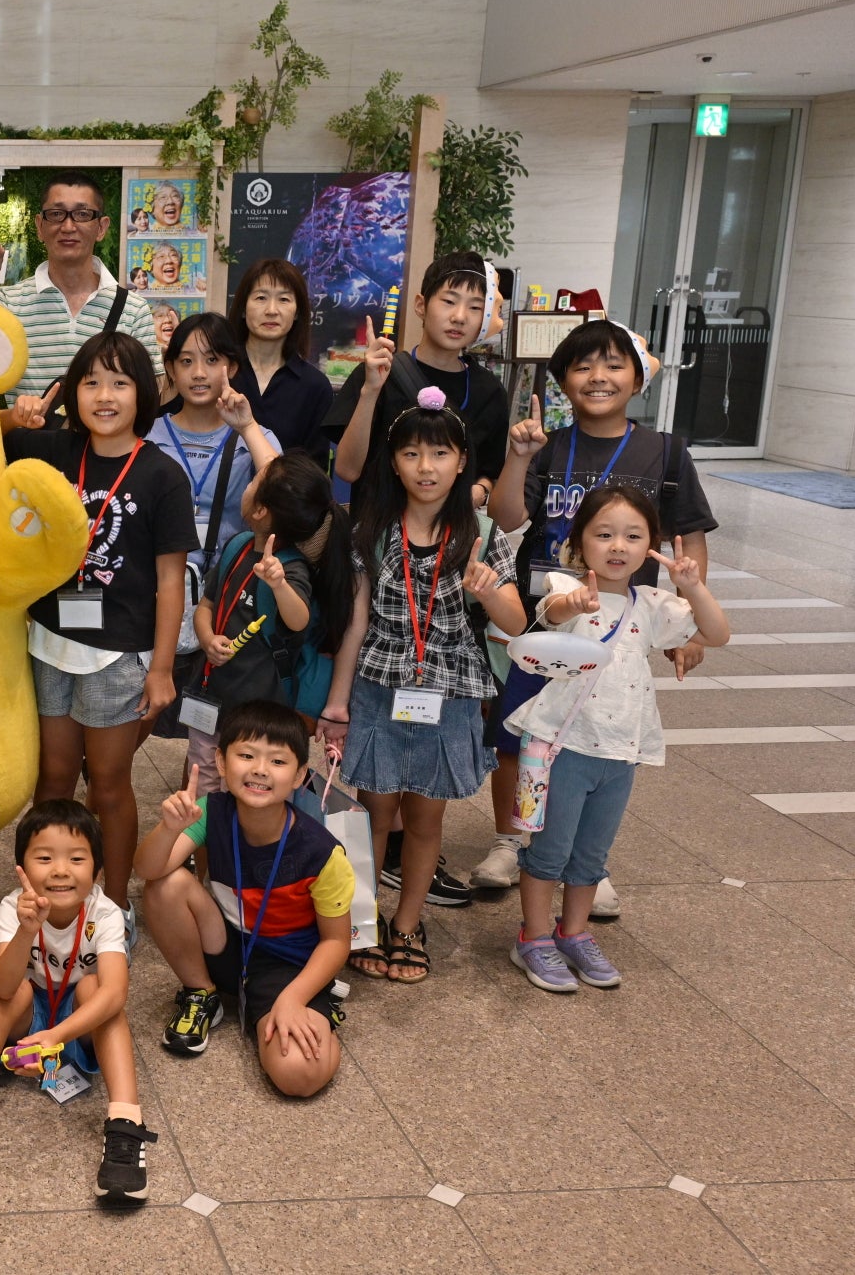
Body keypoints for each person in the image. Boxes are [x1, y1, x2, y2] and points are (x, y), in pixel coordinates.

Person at [478, 320, 718, 915]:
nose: (598, 377)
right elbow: (509, 517)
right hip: (548, 616)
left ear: (638, 377)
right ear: (562, 382)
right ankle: (515, 836)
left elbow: (688, 538)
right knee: (521, 731)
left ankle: (588, 862)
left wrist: (689, 624)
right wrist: (518, 456)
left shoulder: (663, 451)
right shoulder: (550, 446)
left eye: (613, 365)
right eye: (583, 367)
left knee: (601, 739)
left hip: (621, 623)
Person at [319, 400, 524, 984]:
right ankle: (362, 921)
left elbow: (515, 623)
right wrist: (337, 704)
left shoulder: (483, 535)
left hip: (450, 693)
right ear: (395, 461)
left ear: (462, 462)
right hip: (381, 690)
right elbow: (354, 624)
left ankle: (407, 923)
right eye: (411, 453)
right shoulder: (373, 531)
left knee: (425, 819)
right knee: (373, 812)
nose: (425, 466)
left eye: (440, 453)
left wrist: (487, 592)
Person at [2, 332, 195, 918]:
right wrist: (14, 416)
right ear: (72, 392)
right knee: (54, 779)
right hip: (48, 640)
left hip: (119, 653)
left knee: (109, 784)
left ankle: (111, 908)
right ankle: (40, 897)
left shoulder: (162, 474)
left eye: (119, 383)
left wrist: (161, 669)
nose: (104, 396)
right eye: (90, 382)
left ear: (145, 393)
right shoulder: (55, 452)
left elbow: (170, 581)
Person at [505, 489, 729, 990]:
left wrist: (692, 586)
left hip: (622, 748)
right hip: (562, 746)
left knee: (591, 854)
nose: (617, 546)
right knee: (549, 850)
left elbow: (717, 634)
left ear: (650, 545)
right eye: (603, 534)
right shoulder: (567, 586)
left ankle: (574, 934)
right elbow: (552, 614)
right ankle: (534, 938)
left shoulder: (652, 603)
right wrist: (574, 601)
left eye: (633, 536)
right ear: (580, 543)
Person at [0, 799, 155, 1204]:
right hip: (26, 1014)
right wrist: (27, 931)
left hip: (78, 1024)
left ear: (96, 870)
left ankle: (124, 1124)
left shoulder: (105, 912)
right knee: (14, 991)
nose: (61, 870)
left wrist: (56, 1035)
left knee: (96, 989)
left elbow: (117, 992)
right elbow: (1, 986)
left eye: (77, 858)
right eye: (45, 857)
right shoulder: (17, 906)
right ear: (23, 868)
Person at [135, 701, 351, 1093]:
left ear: (300, 774)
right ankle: (202, 992)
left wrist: (293, 999)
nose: (259, 770)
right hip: (225, 943)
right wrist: (167, 829)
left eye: (277, 761)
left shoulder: (322, 852)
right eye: (246, 755)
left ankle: (317, 1005)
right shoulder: (209, 811)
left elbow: (337, 942)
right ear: (221, 761)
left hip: (287, 966)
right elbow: (147, 869)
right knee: (165, 883)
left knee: (301, 1075)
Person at [189, 453, 353, 791]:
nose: (247, 485)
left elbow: (298, 620)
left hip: (261, 709)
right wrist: (207, 638)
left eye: (253, 482)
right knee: (203, 777)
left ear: (260, 510)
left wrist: (278, 584)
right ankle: (206, 843)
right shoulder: (237, 545)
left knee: (251, 789)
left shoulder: (291, 566)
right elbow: (205, 606)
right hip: (213, 695)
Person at [0, 173, 162, 416]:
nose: (68, 226)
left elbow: (150, 393)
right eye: (57, 214)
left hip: (105, 451)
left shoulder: (133, 309)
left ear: (101, 227)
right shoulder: (8, 303)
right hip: (30, 448)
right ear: (40, 226)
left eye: (82, 214)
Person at [328, 251, 509, 510]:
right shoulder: (377, 373)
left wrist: (479, 492)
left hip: (451, 539)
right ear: (421, 305)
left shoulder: (490, 392)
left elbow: (489, 472)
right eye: (449, 301)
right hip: (376, 537)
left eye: (475, 307)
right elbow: (347, 470)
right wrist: (370, 391)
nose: (460, 316)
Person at [152, 312, 280, 558]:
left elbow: (283, 494)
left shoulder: (254, 435)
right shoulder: (148, 436)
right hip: (157, 581)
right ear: (171, 368)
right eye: (186, 361)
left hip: (230, 584)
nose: (198, 373)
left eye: (211, 360)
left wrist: (247, 427)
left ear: (231, 367)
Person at [229, 259, 335, 457]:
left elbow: (312, 472)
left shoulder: (315, 387)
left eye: (284, 299)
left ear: (297, 313)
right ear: (243, 308)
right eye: (261, 298)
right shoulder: (218, 371)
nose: (271, 310)